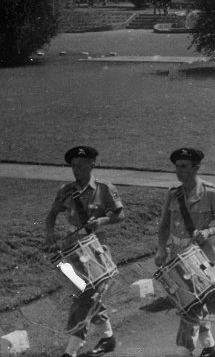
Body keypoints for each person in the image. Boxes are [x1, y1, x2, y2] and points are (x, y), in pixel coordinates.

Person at [45, 146, 124, 357]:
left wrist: (103, 220)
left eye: (80, 165)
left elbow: (120, 214)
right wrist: (50, 235)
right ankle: (108, 339)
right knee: (85, 296)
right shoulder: (66, 191)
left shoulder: (105, 188)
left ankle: (71, 351)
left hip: (96, 250)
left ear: (92, 164)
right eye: (73, 166)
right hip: (71, 251)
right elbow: (51, 215)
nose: (76, 170)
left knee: (86, 297)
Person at [155, 148, 215, 357]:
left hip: (200, 257)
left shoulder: (211, 192)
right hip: (176, 257)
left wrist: (209, 231)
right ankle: (210, 347)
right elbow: (164, 225)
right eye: (177, 167)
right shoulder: (173, 194)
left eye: (184, 167)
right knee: (192, 304)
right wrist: (161, 248)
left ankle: (184, 350)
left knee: (190, 305)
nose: (179, 172)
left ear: (196, 168)